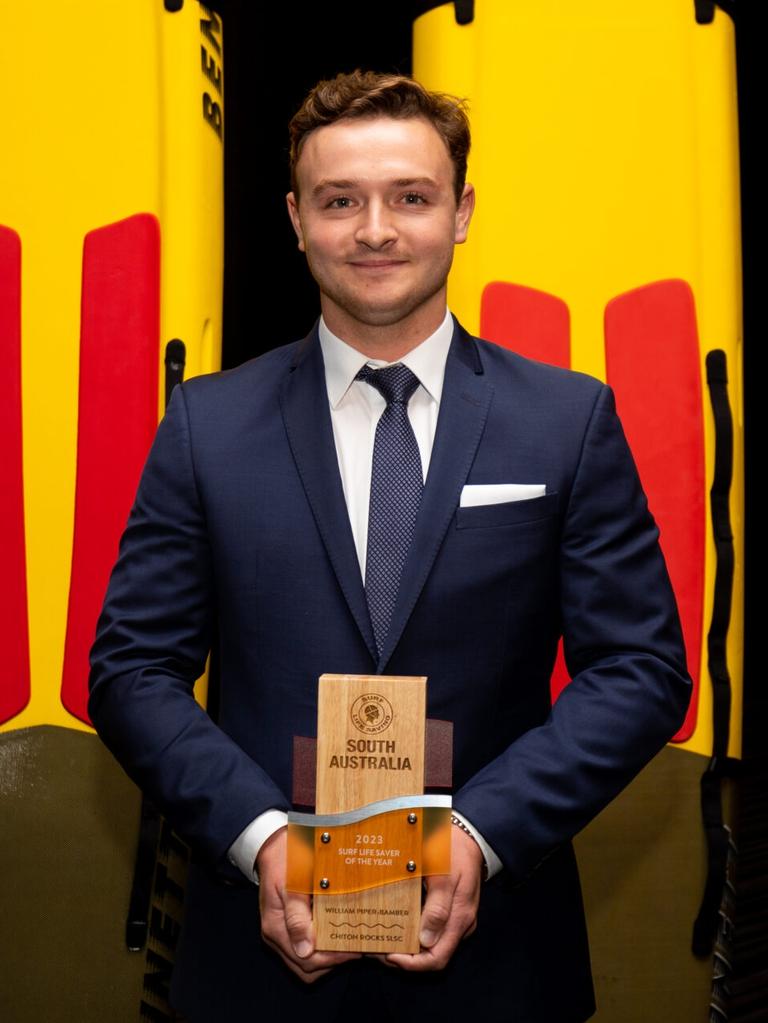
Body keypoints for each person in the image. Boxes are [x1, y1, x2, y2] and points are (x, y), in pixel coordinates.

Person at [89, 70, 691, 1022]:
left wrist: (476, 835)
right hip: (256, 962)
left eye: (410, 197)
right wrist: (260, 838)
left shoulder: (566, 421)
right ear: (296, 219)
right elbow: (130, 668)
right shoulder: (208, 423)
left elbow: (643, 668)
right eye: (340, 201)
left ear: (461, 213)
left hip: (502, 964)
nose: (375, 229)